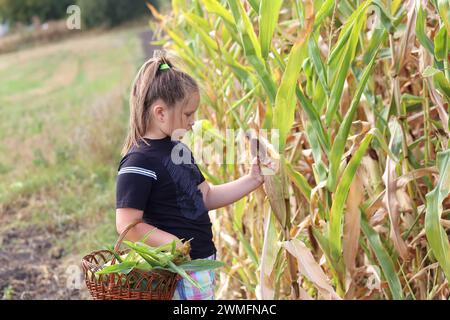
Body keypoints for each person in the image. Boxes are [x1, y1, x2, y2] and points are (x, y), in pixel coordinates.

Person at [115, 53, 265, 300]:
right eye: (188, 114)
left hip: (201, 262)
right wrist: (175, 245)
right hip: (177, 270)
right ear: (160, 113)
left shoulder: (179, 150)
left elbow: (205, 196)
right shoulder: (138, 161)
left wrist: (253, 179)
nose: (194, 122)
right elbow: (127, 225)